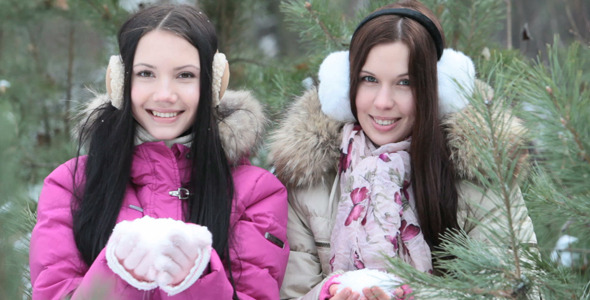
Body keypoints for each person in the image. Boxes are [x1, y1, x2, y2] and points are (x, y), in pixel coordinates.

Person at [268, 1, 537, 299]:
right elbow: (291, 292)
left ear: (436, 91)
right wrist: (328, 294)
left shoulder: (482, 179)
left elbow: (516, 289)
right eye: (369, 79)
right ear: (345, 86)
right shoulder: (310, 179)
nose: (383, 102)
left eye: (405, 83)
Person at [29, 4, 289, 300]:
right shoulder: (69, 185)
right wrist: (119, 274)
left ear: (213, 83)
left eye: (185, 76)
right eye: (146, 74)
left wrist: (196, 280)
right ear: (120, 81)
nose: (165, 94)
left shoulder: (257, 193)